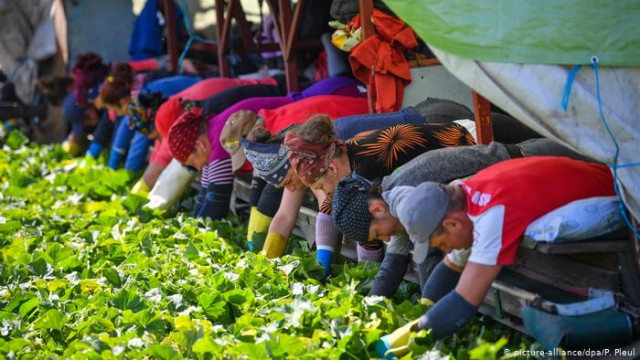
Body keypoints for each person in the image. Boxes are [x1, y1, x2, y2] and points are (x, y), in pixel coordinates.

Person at [372, 157, 615, 357]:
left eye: (442, 243)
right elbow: (451, 266)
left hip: (617, 189)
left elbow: (463, 302)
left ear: (452, 224)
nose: (445, 250)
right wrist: (423, 309)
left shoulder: (492, 215)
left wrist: (403, 340)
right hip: (597, 173)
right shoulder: (464, 196)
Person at [331, 139, 596, 297]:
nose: (386, 239)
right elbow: (396, 260)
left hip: (537, 156)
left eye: (378, 234)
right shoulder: (394, 202)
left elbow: (428, 261)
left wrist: (426, 313)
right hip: (524, 174)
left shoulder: (407, 194)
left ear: (376, 210)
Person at [252, 113, 475, 264]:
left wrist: (369, 276)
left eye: (319, 186)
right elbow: (337, 209)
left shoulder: (367, 167)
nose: (323, 193)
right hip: (454, 157)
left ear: (331, 170)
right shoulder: (345, 162)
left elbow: (365, 225)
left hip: (472, 140)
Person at [168, 94, 369, 221]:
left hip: (364, 108)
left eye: (191, 163)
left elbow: (217, 200)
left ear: (199, 146)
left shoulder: (293, 144)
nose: (195, 168)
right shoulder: (272, 141)